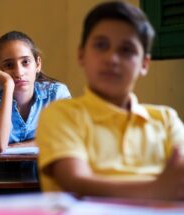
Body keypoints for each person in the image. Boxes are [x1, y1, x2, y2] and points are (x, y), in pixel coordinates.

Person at [37, 1, 184, 200]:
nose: (112, 58)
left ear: (144, 64)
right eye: (101, 45)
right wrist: (155, 190)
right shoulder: (61, 115)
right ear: (81, 54)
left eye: (126, 50)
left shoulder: (166, 120)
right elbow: (75, 181)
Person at [0, 31, 71, 153]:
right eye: (9, 65)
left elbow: (65, 138)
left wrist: (17, 147)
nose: (19, 72)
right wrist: (8, 84)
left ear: (38, 64)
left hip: (41, 169)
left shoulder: (56, 94)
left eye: (25, 62)